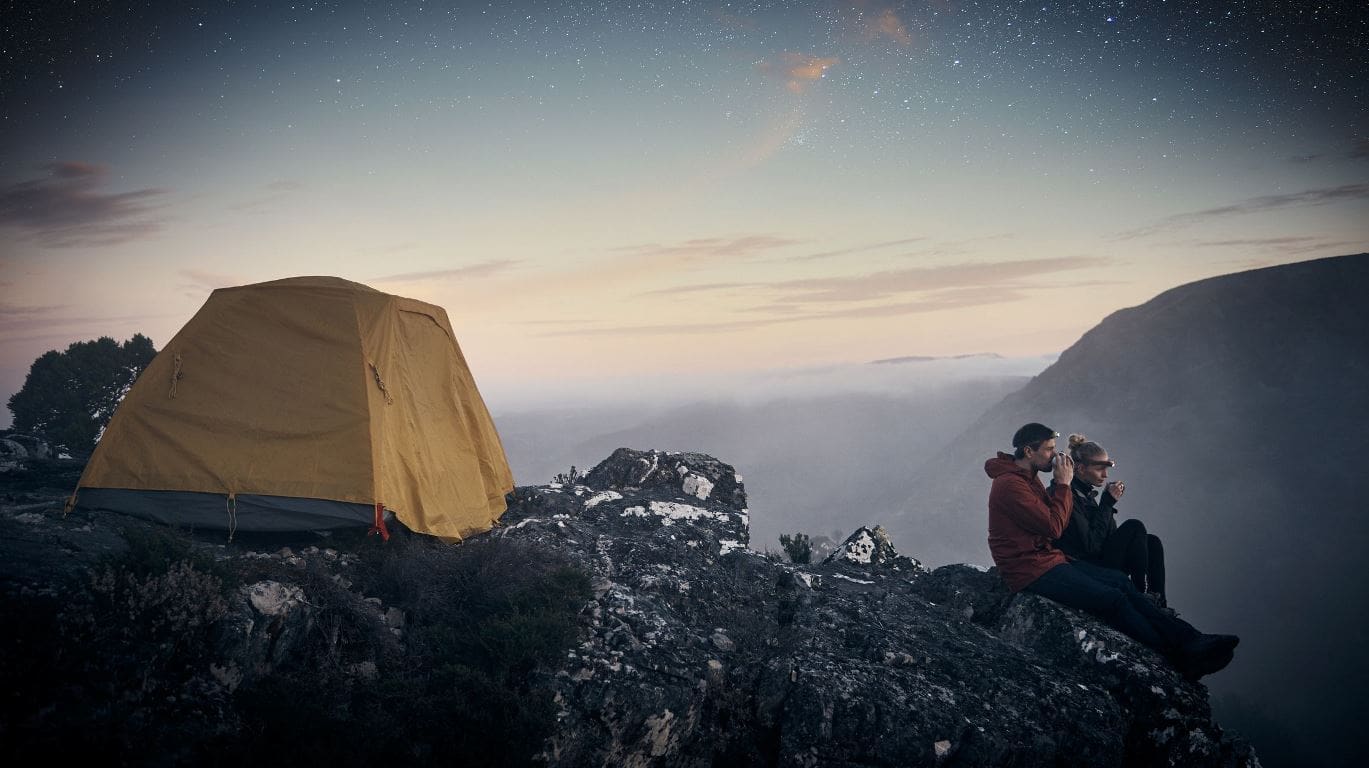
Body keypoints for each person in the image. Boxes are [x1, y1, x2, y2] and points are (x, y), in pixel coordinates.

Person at [985, 422, 1237, 680]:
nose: (1055, 455)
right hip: (1029, 569)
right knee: (1111, 599)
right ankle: (1178, 657)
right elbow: (1053, 527)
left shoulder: (1027, 479)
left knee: (1119, 582)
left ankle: (1192, 639)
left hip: (1049, 559)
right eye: (1049, 450)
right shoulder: (1010, 485)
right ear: (1029, 451)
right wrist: (1063, 485)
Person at [1053, 434, 1168, 607]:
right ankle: (1138, 595)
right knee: (1134, 526)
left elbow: (1109, 536)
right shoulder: (1069, 495)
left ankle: (1158, 601)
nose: (1105, 475)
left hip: (1099, 559)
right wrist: (1107, 503)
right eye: (1100, 468)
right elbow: (1091, 547)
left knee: (1151, 542)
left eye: (1107, 468)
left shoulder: (1086, 494)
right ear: (1081, 469)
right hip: (1087, 567)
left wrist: (1106, 505)